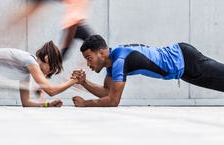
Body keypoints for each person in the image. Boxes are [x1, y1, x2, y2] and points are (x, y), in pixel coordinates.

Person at [72, 35, 224, 107]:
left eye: (89, 58)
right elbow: (107, 92)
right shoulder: (112, 63)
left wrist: (86, 103)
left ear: (102, 53)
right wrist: (84, 82)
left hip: (184, 59)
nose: (87, 63)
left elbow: (113, 101)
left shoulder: (119, 59)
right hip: (183, 71)